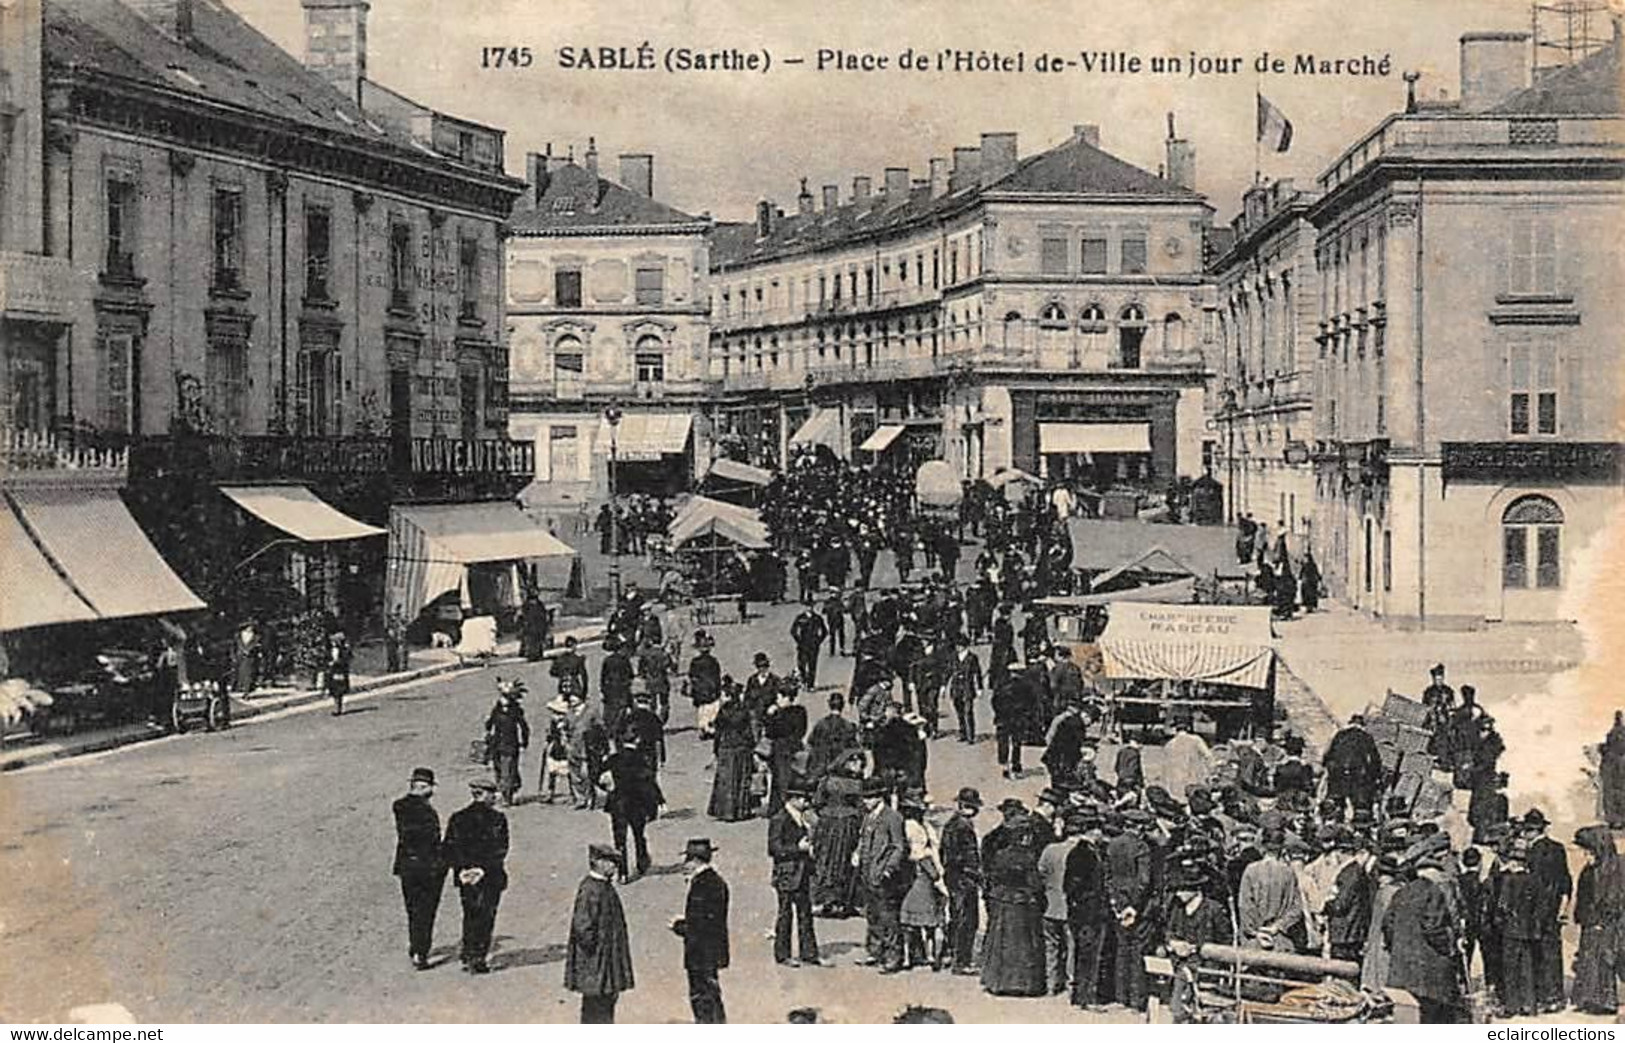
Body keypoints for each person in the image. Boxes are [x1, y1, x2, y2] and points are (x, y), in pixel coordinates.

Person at [1384, 848, 1466, 1023]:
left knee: (1409, 1017)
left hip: (1402, 968)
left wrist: (1397, 948)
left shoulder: (1400, 892)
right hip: (1429, 970)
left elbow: (1387, 925)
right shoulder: (1433, 892)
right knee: (1434, 1018)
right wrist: (1449, 949)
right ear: (1432, 872)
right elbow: (1434, 928)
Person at [441, 777, 509, 974]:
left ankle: (468, 954)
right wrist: (482, 870)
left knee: (470, 914)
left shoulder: (458, 817)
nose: (495, 797)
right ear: (483, 794)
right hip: (490, 875)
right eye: (492, 794)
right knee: (486, 916)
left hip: (466, 877)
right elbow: (501, 849)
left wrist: (462, 869)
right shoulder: (497, 819)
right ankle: (478, 957)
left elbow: (449, 848)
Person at [981, 798, 1048, 996]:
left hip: (1002, 900)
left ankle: (998, 982)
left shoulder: (1001, 854)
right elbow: (1035, 883)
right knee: (1024, 944)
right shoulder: (1028, 856)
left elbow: (992, 874)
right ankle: (1023, 983)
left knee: (1001, 942)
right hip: (1023, 902)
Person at [566, 843, 635, 1024]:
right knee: (596, 1006)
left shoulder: (602, 886)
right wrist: (596, 952)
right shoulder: (590, 889)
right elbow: (582, 926)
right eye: (610, 862)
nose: (614, 866)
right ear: (596, 862)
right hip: (596, 960)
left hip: (605, 959)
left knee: (606, 1001)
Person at [392, 767, 446, 971]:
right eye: (430, 787)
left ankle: (415, 945)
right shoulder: (425, 810)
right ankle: (420, 952)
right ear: (422, 786)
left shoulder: (399, 805)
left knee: (413, 909)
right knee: (426, 910)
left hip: (406, 866)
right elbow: (429, 839)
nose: (432, 791)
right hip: (427, 867)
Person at [855, 777, 911, 973]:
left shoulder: (892, 817)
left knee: (889, 917)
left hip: (884, 876)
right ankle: (875, 951)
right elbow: (863, 840)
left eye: (869, 798)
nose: (865, 801)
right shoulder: (868, 817)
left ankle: (893, 956)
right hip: (867, 873)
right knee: (872, 914)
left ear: (879, 797)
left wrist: (888, 869)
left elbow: (898, 847)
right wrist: (857, 854)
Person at [671, 838, 730, 1023]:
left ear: (694, 861)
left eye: (687, 860)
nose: (684, 865)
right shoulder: (716, 881)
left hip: (700, 951)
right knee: (712, 993)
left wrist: (678, 926)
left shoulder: (701, 885)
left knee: (701, 995)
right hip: (713, 949)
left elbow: (699, 926)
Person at [1571, 825, 1625, 1015]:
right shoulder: (1589, 871)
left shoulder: (1616, 869)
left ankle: (1605, 1001)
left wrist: (1604, 919)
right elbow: (1583, 897)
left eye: (1588, 852)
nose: (1586, 857)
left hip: (1610, 924)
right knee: (1588, 959)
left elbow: (1615, 899)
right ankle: (1588, 998)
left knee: (1604, 961)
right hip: (1591, 923)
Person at [768, 777, 822, 967]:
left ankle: (809, 953)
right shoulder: (780, 818)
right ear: (793, 798)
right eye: (804, 800)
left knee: (805, 914)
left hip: (802, 873)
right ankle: (783, 954)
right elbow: (774, 848)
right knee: (785, 915)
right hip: (787, 874)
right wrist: (797, 847)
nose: (806, 804)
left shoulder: (802, 819)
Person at [1524, 808, 1572, 1013]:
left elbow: (1530, 885)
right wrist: (1564, 906)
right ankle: (1555, 996)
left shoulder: (1530, 852)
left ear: (1530, 831)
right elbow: (1566, 881)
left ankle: (1542, 997)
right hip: (1552, 908)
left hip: (1534, 910)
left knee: (1536, 953)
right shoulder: (1558, 848)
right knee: (1552, 952)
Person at [812, 750, 866, 917]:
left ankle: (825, 900)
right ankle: (843, 901)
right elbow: (862, 808)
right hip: (848, 827)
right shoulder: (856, 785)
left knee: (827, 862)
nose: (858, 766)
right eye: (854, 762)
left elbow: (817, 802)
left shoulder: (827, 781)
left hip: (827, 826)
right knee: (844, 862)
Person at [604, 733, 662, 882]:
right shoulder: (641, 759)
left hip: (617, 804)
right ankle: (641, 862)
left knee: (619, 839)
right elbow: (649, 782)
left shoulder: (614, 759)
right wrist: (658, 800)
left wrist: (609, 788)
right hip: (636, 803)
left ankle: (622, 873)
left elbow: (599, 776)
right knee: (639, 834)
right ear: (636, 740)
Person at [900, 792, 948, 970]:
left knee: (925, 916)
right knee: (919, 916)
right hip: (919, 872)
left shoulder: (924, 825)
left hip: (927, 871)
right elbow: (917, 853)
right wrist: (933, 872)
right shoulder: (911, 827)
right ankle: (915, 955)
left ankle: (925, 954)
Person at [1039, 811, 1082, 995]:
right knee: (1072, 947)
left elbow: (1040, 872)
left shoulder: (1050, 849)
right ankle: (1071, 985)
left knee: (1051, 946)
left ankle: (1051, 983)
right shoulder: (1081, 853)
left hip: (1050, 905)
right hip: (1070, 907)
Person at [941, 787, 983, 975]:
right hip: (964, 879)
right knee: (967, 920)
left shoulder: (950, 824)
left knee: (955, 916)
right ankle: (961, 961)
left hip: (952, 876)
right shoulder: (964, 827)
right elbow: (969, 856)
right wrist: (977, 875)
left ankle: (948, 953)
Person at [709, 683, 756, 823]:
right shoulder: (744, 710)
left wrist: (716, 750)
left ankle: (723, 811)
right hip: (741, 747)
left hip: (727, 747)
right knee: (741, 779)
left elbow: (718, 732)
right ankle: (741, 810)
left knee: (725, 780)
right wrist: (751, 747)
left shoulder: (724, 711)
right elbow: (749, 732)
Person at [1324, 714, 1385, 818]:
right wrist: (1376, 777)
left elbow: (1327, 756)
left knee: (1337, 802)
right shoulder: (1367, 737)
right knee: (1360, 804)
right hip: (1357, 777)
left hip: (1338, 775)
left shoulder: (1340, 734)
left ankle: (1336, 819)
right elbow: (1375, 760)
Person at [764, 684, 809, 816]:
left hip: (781, 749)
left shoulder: (780, 714)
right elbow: (802, 730)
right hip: (795, 747)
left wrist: (769, 715)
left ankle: (779, 807)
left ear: (786, 697)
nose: (777, 700)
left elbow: (770, 731)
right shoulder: (801, 711)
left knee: (779, 778)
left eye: (779, 697)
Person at [484, 680, 530, 807]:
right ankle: (504, 790)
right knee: (498, 769)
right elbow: (489, 725)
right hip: (496, 744)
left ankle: (507, 796)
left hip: (510, 744)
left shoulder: (515, 710)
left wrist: (524, 741)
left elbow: (524, 727)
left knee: (507, 770)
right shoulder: (496, 709)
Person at [805, 692, 858, 782]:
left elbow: (810, 742)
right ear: (843, 705)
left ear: (829, 704)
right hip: (839, 769)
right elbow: (853, 747)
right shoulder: (848, 726)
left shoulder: (821, 724)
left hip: (819, 769)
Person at [948, 637, 983, 745]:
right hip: (956, 687)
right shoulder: (954, 657)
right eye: (956, 645)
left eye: (959, 645)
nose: (957, 647)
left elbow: (977, 673)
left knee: (968, 712)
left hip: (967, 687)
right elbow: (948, 671)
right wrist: (944, 686)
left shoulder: (972, 658)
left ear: (964, 646)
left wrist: (979, 688)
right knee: (959, 711)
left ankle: (970, 736)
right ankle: (962, 732)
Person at [688, 632, 723, 739]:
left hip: (700, 689)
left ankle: (703, 727)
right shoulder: (713, 661)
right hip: (712, 689)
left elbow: (691, 675)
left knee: (702, 709)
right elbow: (717, 675)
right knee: (712, 708)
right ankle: (710, 727)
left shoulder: (695, 662)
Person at [539, 699, 573, 804]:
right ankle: (550, 792)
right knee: (552, 771)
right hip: (556, 748)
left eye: (558, 713)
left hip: (566, 749)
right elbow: (551, 734)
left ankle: (573, 794)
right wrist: (547, 742)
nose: (556, 716)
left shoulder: (568, 723)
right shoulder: (553, 723)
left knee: (569, 772)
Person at [790, 606, 829, 690]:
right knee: (802, 665)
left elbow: (824, 631)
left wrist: (818, 641)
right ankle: (803, 681)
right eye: (807, 606)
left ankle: (811, 684)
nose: (809, 608)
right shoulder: (800, 618)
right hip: (803, 645)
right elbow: (793, 631)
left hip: (813, 646)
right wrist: (799, 640)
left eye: (810, 606)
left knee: (812, 665)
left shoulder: (817, 618)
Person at [325, 628, 352, 716]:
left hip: (340, 670)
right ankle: (336, 706)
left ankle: (339, 707)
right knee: (334, 689)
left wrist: (337, 662)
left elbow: (346, 659)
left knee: (339, 690)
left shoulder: (344, 650)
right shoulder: (331, 650)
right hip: (333, 671)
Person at [519, 593, 550, 661]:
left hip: (537, 627)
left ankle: (536, 654)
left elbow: (543, 616)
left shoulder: (538, 605)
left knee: (536, 642)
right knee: (533, 642)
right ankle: (533, 655)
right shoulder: (530, 605)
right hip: (533, 627)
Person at [385, 605, 409, 673]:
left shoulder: (401, 622)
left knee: (400, 652)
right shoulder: (393, 623)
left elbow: (404, 628)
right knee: (392, 652)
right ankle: (392, 666)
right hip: (394, 638)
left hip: (399, 638)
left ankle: (400, 666)